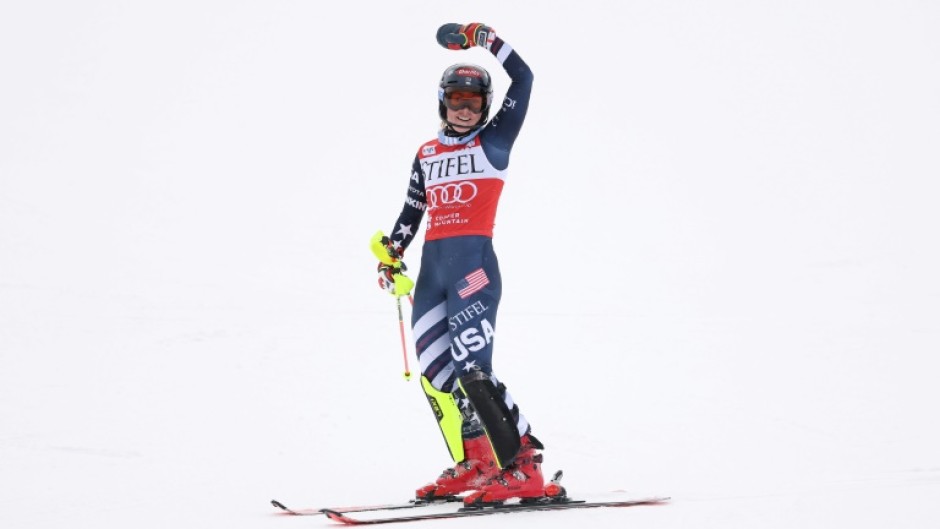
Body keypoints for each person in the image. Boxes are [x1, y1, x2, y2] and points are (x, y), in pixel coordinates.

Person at [371, 23, 549, 506]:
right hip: (432, 274)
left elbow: (525, 78)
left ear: (486, 108)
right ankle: (479, 462)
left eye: (474, 102)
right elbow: (411, 212)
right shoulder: (426, 153)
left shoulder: (494, 144)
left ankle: (524, 464)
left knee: (474, 369)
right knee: (437, 374)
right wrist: (392, 255)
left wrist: (482, 37)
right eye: (456, 99)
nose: (465, 108)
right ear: (442, 101)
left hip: (473, 269)